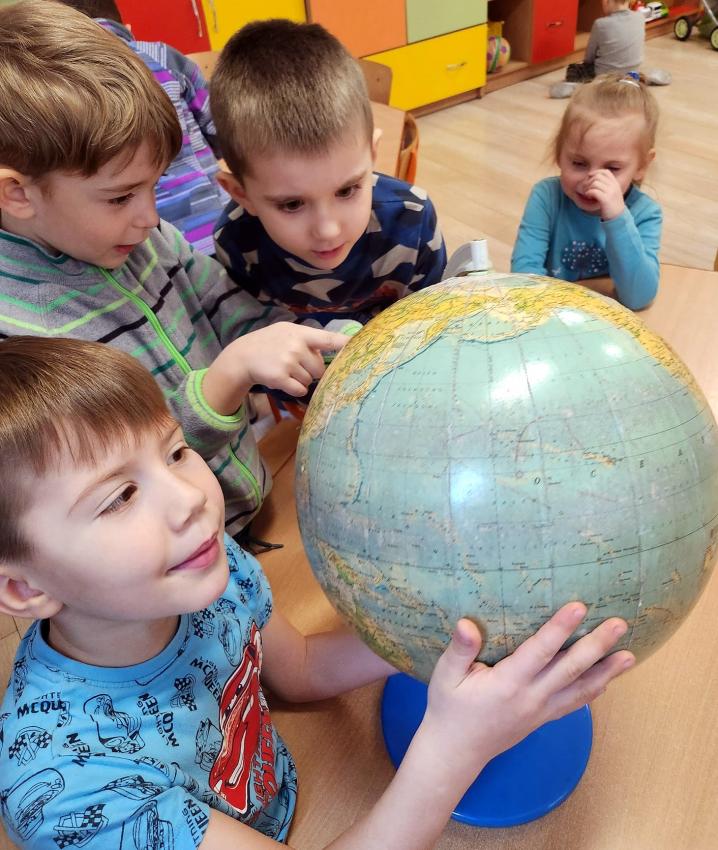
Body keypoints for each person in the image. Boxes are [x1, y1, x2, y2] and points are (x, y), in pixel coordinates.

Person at [0, 335, 635, 850]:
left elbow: (298, 669)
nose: (190, 498)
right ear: (23, 586)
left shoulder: (197, 575)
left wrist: (439, 624)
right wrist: (454, 750)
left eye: (175, 453)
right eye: (120, 497)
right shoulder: (70, 793)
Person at [0, 0, 349, 539]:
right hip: (172, 559)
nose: (150, 217)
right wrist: (227, 379)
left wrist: (323, 346)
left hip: (245, 512)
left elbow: (232, 312)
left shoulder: (146, 240)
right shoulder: (19, 334)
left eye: (154, 186)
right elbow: (121, 478)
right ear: (17, 193)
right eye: (120, 197)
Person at [210, 19, 447, 330]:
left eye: (347, 191)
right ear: (240, 194)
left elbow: (438, 324)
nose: (328, 231)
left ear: (373, 153)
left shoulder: (413, 219)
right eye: (292, 204)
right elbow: (253, 334)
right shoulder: (235, 243)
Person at [59, 0, 229, 255]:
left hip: (137, 248)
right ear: (124, 25)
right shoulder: (161, 56)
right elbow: (221, 130)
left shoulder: (56, 81)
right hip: (215, 223)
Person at [511, 73, 662, 311]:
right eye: (579, 163)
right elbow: (524, 280)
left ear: (642, 165)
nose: (593, 181)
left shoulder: (645, 213)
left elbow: (639, 298)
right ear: (559, 154)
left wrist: (617, 218)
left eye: (612, 169)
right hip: (554, 312)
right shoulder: (546, 197)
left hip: (609, 319)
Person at [550, 0, 670, 99]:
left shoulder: (600, 24)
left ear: (607, 1)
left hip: (604, 76)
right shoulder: (640, 17)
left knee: (574, 70)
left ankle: (582, 87)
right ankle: (637, 78)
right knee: (629, 69)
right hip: (631, 70)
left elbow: (589, 57)